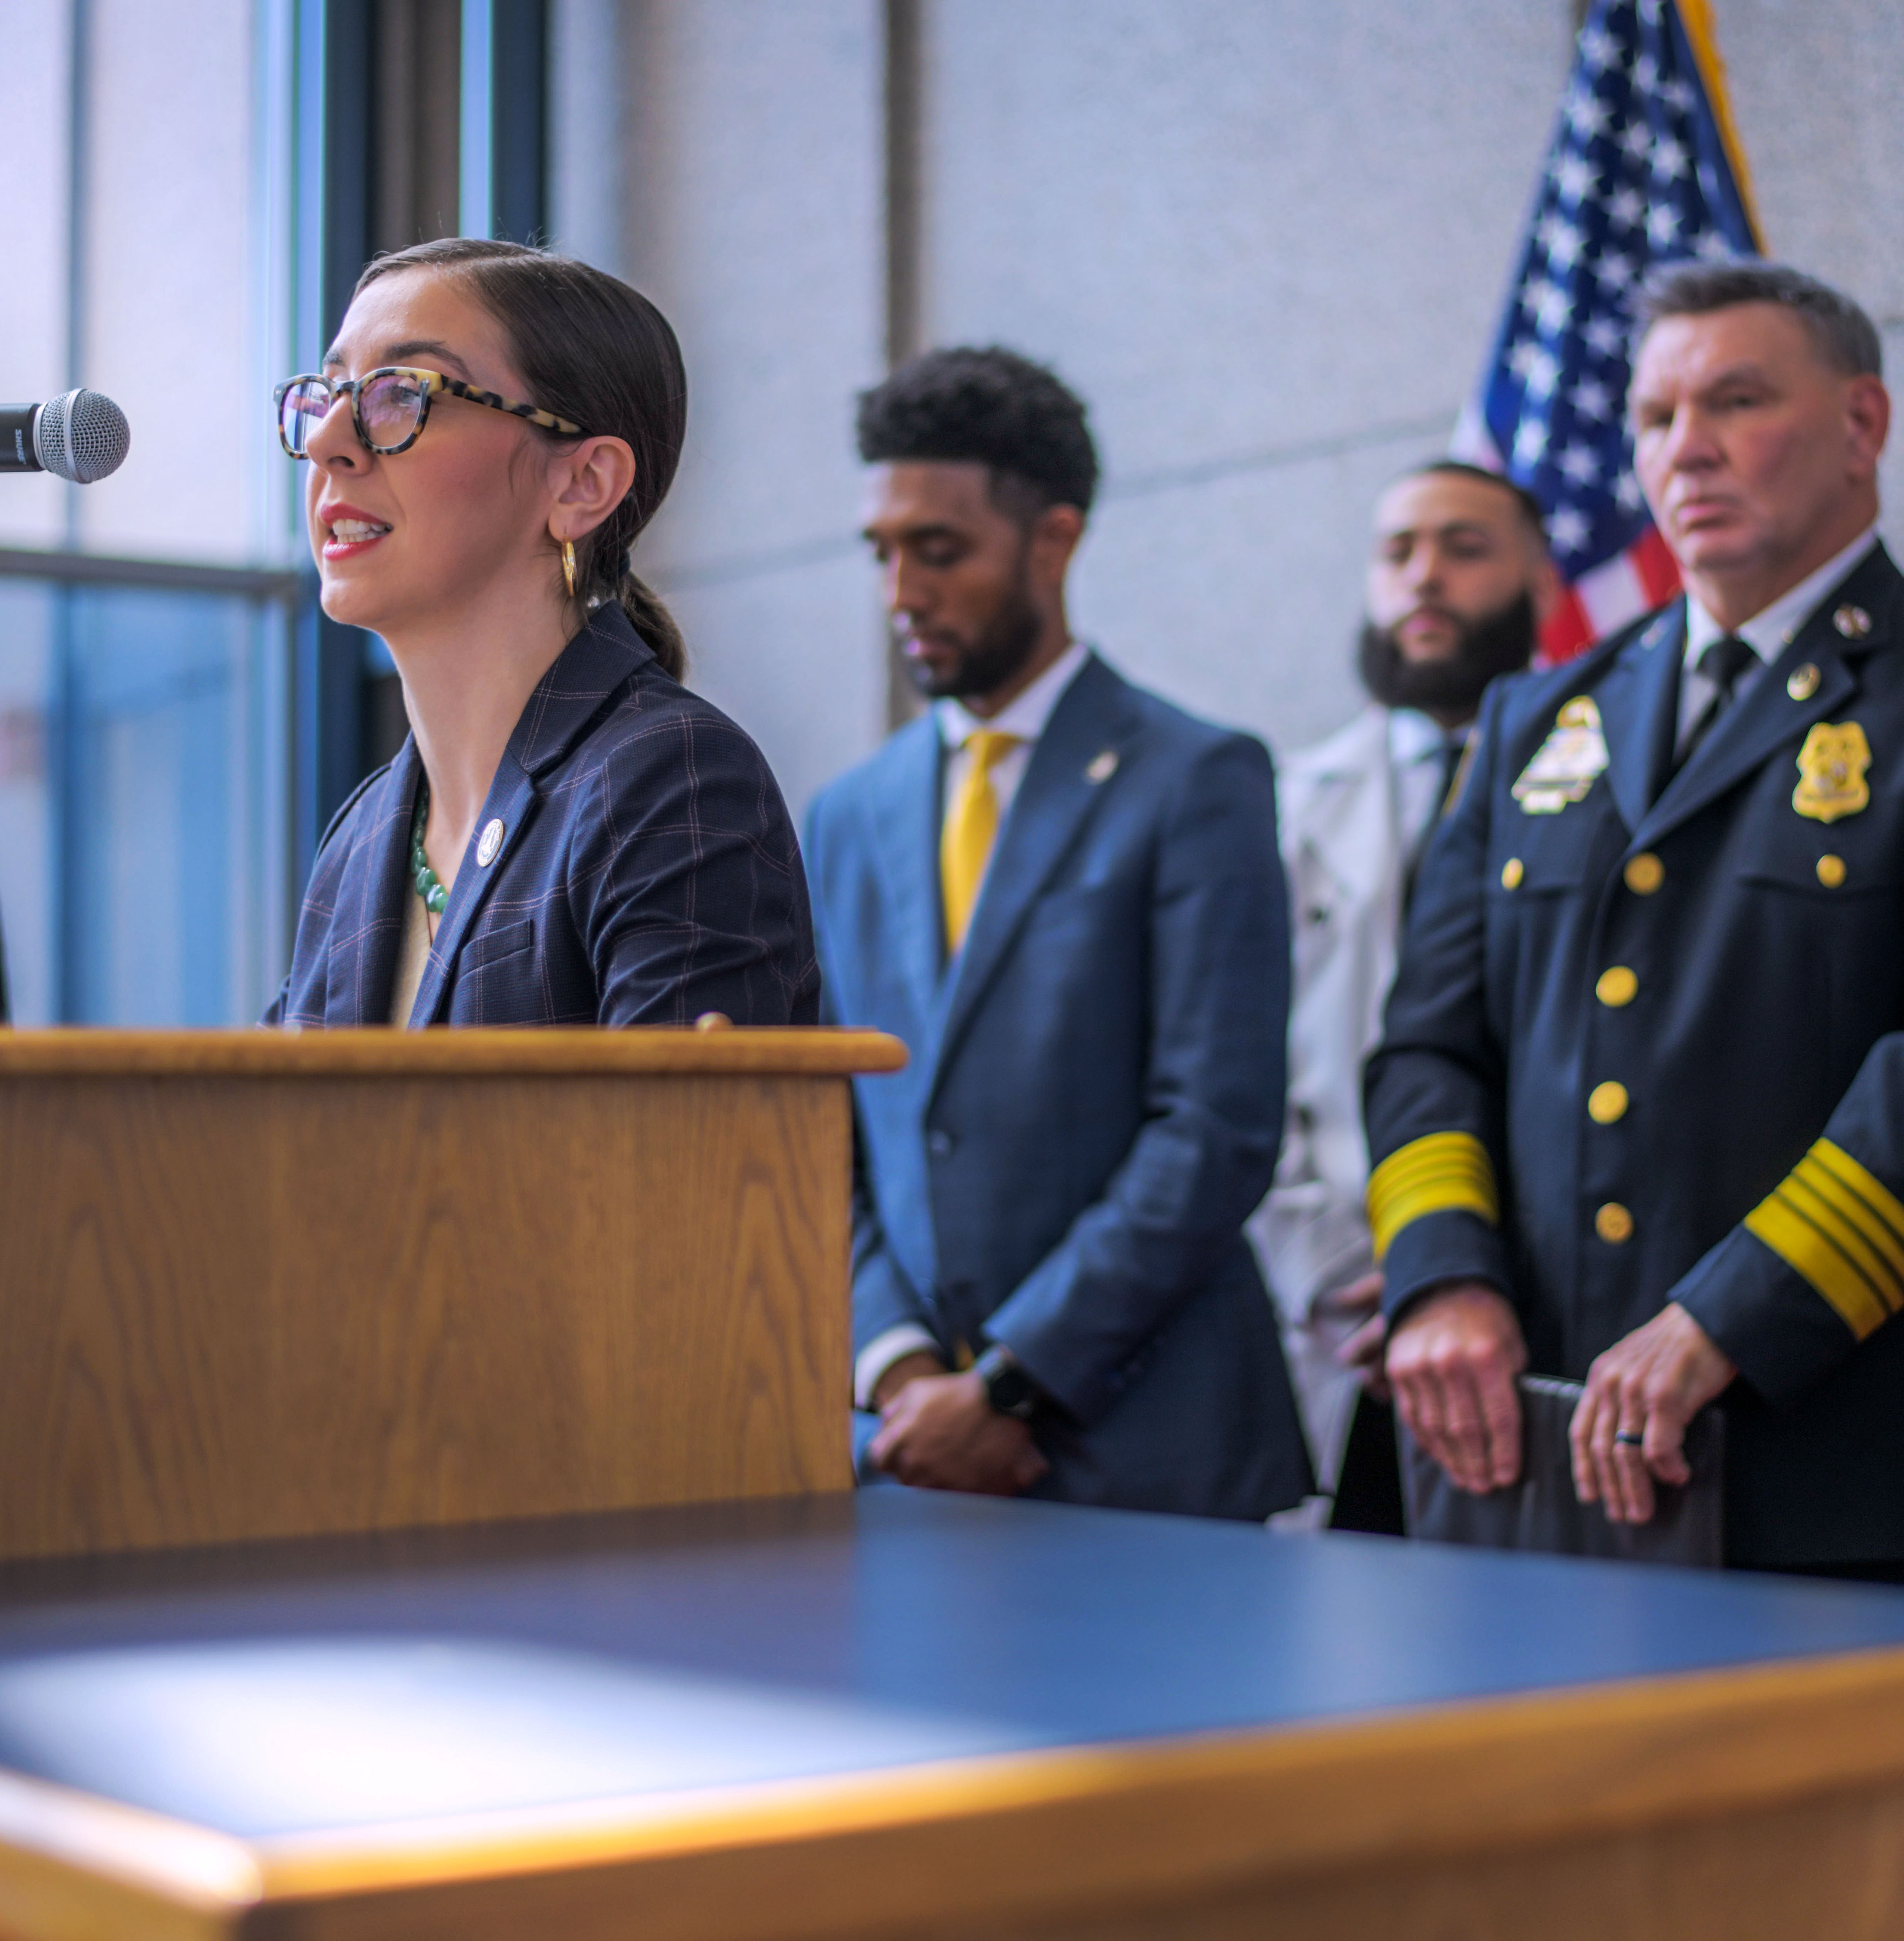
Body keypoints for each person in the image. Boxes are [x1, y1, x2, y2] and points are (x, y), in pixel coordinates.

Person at [1366, 262, 1904, 1589]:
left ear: (1863, 425)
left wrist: (1728, 1317)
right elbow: (1427, 1043)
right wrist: (1441, 1277)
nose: (1688, 447)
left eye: (1736, 399)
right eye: (1657, 415)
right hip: (1538, 1439)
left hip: (1830, 1448)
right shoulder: (1537, 716)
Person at [804, 346, 1310, 1520]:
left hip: (1149, 1457)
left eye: (940, 551)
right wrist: (900, 1370)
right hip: (912, 1452)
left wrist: (1013, 1390)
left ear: (1055, 541)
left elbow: (1216, 1130)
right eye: (882, 553)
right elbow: (824, 1131)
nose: (902, 594)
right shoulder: (846, 812)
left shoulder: (1196, 779)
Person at [266, 238, 818, 1028]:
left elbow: (685, 1151)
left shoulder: (672, 776)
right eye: (328, 394)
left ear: (582, 484)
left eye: (399, 393)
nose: (325, 442)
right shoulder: (361, 836)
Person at [1246, 461, 1561, 1530]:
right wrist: (1358, 1267)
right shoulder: (1288, 806)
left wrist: (1460, 1263)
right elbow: (1244, 1072)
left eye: (1465, 549)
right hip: (1339, 1311)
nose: (1425, 577)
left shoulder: (1621, 790)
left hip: (1536, 1301)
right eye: (1398, 552)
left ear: (1545, 584)